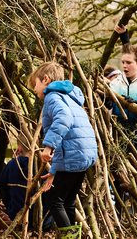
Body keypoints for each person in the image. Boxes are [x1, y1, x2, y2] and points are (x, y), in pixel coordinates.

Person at [28, 62, 97, 237]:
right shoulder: (70, 97)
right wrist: (55, 170)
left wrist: (48, 147)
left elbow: (64, 120)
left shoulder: (52, 97)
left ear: (46, 79)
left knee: (54, 200)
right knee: (68, 202)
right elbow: (67, 140)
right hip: (83, 155)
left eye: (35, 84)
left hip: (74, 155)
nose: (34, 90)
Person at [109, 24, 137, 164]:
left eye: (129, 62)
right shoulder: (116, 82)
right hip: (120, 132)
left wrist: (134, 103)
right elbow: (108, 102)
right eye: (123, 62)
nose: (124, 66)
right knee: (118, 169)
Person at [0, 133, 54, 230]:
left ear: (19, 148)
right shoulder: (46, 167)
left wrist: (10, 207)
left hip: (17, 217)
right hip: (44, 221)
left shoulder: (12, 165)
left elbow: (2, 186)